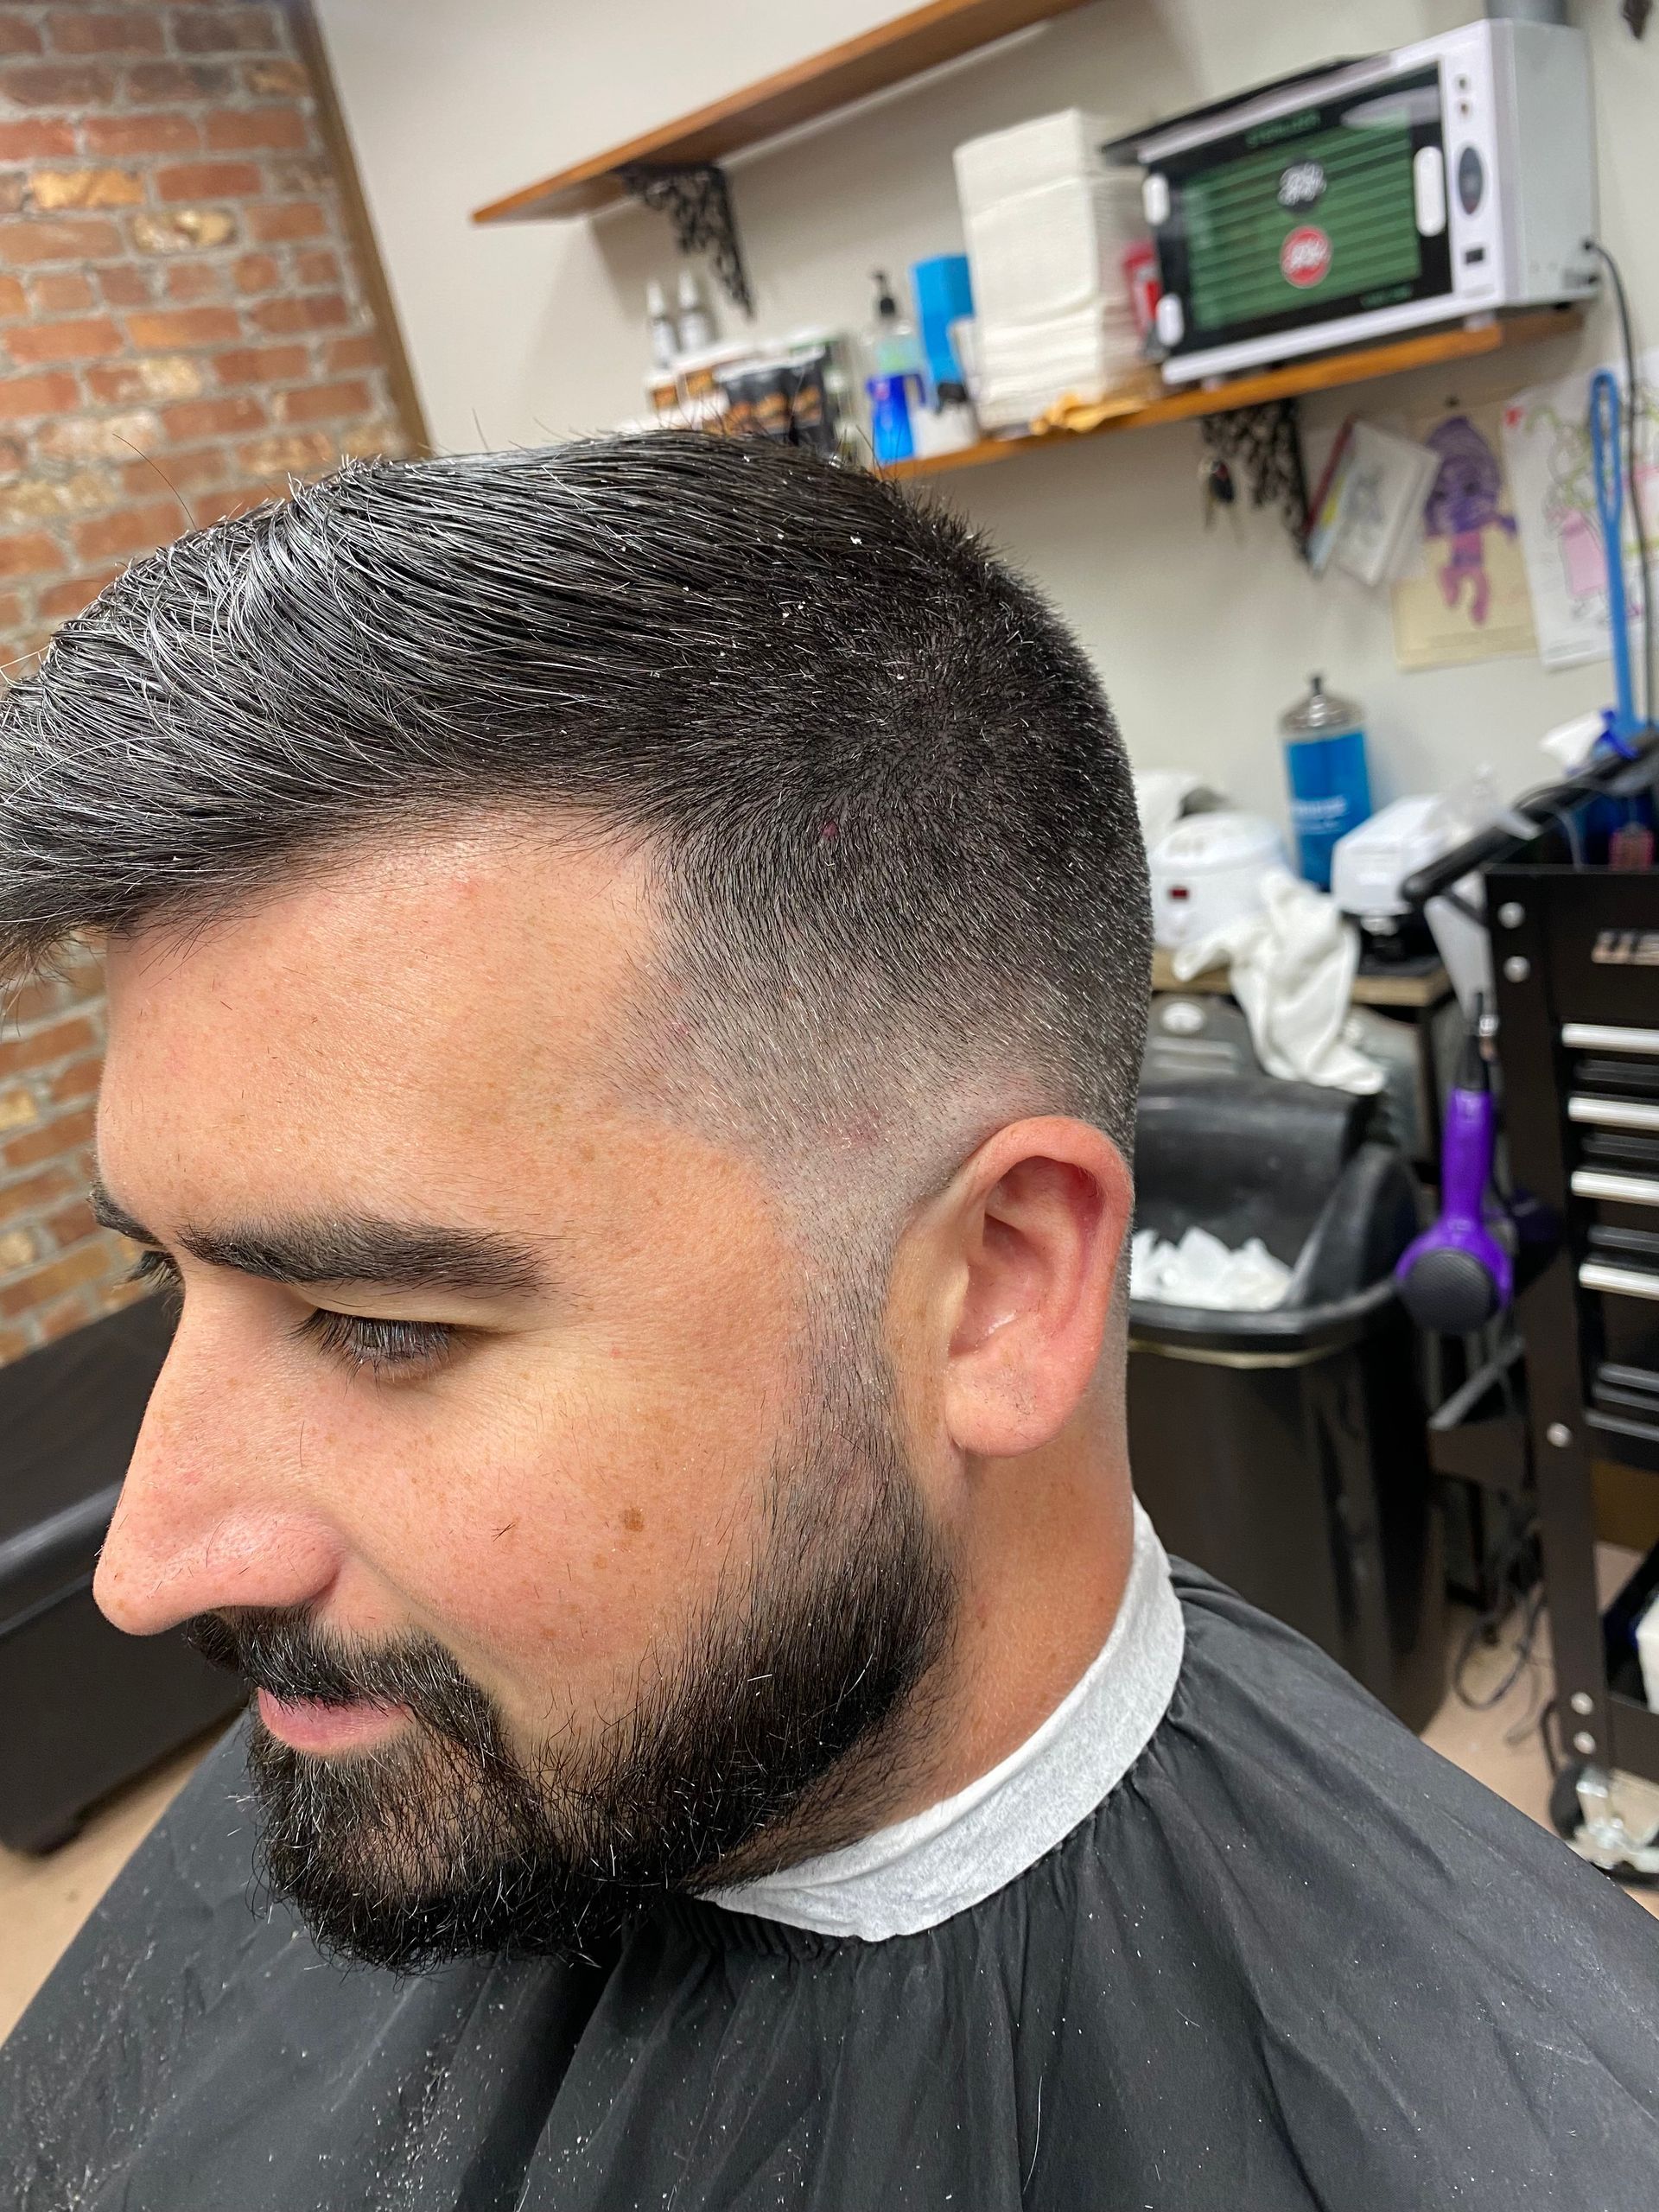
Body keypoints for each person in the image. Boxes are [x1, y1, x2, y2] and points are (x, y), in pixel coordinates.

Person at [0, 434, 1655, 2212]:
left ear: (1000, 1288)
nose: (150, 1561)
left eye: (376, 1320)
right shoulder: (389, 1766)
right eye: (177, 1275)